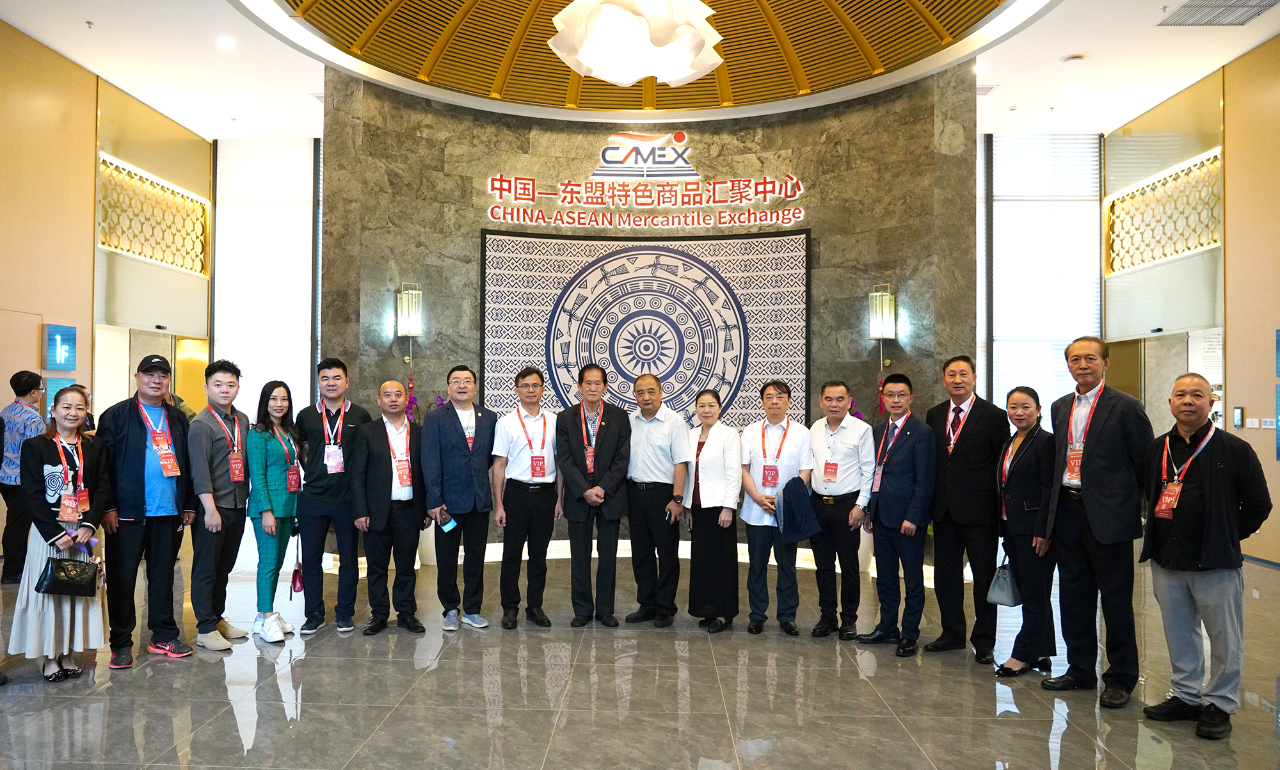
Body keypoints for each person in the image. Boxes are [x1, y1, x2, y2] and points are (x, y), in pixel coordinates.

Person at [1139, 373, 1270, 739]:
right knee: (1179, 633)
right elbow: (1148, 495)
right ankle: (1186, 695)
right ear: (1170, 403)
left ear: (1211, 403)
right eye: (1180, 394)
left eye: (1197, 395)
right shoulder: (1157, 448)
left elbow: (1259, 503)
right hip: (1167, 558)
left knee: (1225, 637)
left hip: (1215, 561)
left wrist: (1227, 534)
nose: (1188, 401)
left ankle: (1220, 704)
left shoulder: (1234, 449)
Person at [1040, 336, 1153, 709]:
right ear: (1068, 365)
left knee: (1116, 601)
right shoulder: (1060, 407)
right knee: (1074, 597)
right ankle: (1080, 670)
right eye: (1075, 359)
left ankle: (1120, 678)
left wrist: (1129, 508)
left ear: (1105, 363)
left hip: (1109, 518)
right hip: (1068, 512)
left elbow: (1144, 465)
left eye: (1090, 358)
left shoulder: (1126, 407)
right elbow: (1061, 461)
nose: (1082, 365)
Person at [97, 355, 197, 669]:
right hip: (126, 515)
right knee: (122, 579)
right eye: (150, 374)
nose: (157, 380)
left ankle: (163, 635)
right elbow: (102, 467)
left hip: (168, 512)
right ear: (137, 377)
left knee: (164, 577)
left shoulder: (177, 417)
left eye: (163, 375)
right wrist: (108, 507)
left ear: (169, 380)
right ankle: (121, 643)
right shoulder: (116, 415)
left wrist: (188, 503)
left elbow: (187, 463)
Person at [9, 386, 109, 682]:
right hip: (50, 531)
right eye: (66, 407)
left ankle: (68, 653)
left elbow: (103, 487)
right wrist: (55, 534)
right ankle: (50, 657)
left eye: (79, 407)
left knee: (79, 591)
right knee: (50, 592)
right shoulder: (36, 446)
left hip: (84, 533)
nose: (72, 413)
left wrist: (89, 525)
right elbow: (31, 494)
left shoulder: (94, 445)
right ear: (53, 410)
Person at [924, 355, 1010, 665]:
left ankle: (984, 641)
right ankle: (952, 633)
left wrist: (1002, 512)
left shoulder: (994, 415)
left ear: (974, 378)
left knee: (984, 578)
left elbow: (1001, 465)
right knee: (946, 576)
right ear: (944, 380)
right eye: (951, 374)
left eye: (963, 374)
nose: (957, 380)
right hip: (944, 511)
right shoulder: (935, 414)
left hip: (981, 513)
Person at [856, 374, 935, 657]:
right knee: (885, 578)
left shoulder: (922, 432)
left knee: (912, 579)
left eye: (901, 395)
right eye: (890, 395)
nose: (896, 400)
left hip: (907, 520)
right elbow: (874, 472)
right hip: (881, 517)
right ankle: (887, 627)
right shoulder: (877, 431)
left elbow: (925, 480)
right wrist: (870, 510)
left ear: (911, 398)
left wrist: (914, 517)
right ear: (883, 399)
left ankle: (910, 634)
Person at [295, 358, 372, 635]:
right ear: (318, 383)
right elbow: (303, 452)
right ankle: (314, 614)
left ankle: (344, 613)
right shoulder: (305, 416)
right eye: (325, 378)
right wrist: (316, 472)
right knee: (311, 558)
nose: (331, 383)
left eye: (337, 378)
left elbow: (365, 456)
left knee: (349, 558)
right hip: (313, 496)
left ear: (347, 382)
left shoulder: (360, 415)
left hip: (347, 498)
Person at [555, 363, 631, 628]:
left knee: (608, 556)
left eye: (598, 383)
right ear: (579, 386)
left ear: (605, 387)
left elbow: (623, 458)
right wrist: (584, 490)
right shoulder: (565, 418)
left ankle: (606, 610)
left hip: (610, 495)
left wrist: (602, 487)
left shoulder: (619, 416)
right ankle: (583, 610)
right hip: (579, 496)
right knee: (580, 556)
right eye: (587, 383)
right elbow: (564, 458)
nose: (592, 387)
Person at [422, 365, 497, 631]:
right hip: (447, 504)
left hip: (479, 500)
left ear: (475, 386)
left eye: (467, 380)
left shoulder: (489, 417)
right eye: (456, 381)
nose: (462, 385)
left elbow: (490, 457)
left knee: (476, 556)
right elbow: (429, 460)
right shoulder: (435, 418)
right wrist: (434, 500)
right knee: (447, 558)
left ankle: (473, 609)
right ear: (448, 387)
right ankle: (451, 609)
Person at [351, 380, 428, 635]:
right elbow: (357, 474)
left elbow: (426, 472)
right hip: (376, 513)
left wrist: (426, 508)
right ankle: (379, 614)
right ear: (379, 400)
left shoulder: (418, 432)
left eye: (398, 394)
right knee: (376, 568)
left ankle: (406, 613)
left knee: (407, 566)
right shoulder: (367, 431)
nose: (393, 399)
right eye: (387, 395)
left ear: (407, 399)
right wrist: (360, 511)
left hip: (409, 511)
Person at [492, 367, 563, 630]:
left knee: (539, 555)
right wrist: (499, 504)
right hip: (517, 494)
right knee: (511, 554)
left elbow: (560, 463)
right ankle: (510, 607)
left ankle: (535, 606)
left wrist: (560, 498)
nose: (530, 390)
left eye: (535, 385)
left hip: (546, 495)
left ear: (543, 389)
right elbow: (499, 465)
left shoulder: (555, 421)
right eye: (525, 386)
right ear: (517, 390)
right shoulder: (506, 423)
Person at [188, 360, 251, 651]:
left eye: (230, 384)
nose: (224, 389)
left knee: (224, 567)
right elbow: (200, 471)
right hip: (213, 507)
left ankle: (217, 618)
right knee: (206, 569)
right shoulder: (201, 424)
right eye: (218, 384)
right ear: (206, 387)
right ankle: (205, 628)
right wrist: (210, 510)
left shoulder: (242, 420)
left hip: (237, 505)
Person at [994, 386, 1057, 677]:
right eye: (1013, 407)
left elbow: (1049, 490)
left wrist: (1043, 531)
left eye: (1026, 407)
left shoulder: (1046, 442)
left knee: (1034, 594)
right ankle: (1041, 652)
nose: (1019, 412)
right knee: (1033, 592)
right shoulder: (1010, 441)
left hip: (1034, 531)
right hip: (1012, 526)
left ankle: (1021, 654)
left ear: (1039, 409)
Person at [740, 380, 812, 636]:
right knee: (756, 566)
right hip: (756, 510)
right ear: (762, 401)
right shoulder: (750, 432)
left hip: (786, 512)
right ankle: (757, 615)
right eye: (769, 397)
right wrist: (757, 496)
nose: (774, 401)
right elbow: (744, 469)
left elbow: (806, 471)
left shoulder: (801, 433)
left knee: (787, 566)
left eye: (780, 397)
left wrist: (784, 500)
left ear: (789, 401)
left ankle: (787, 616)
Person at [625, 374, 693, 628]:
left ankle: (665, 607)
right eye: (640, 392)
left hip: (664, 496)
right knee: (641, 553)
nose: (646, 397)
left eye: (651, 391)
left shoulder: (674, 422)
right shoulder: (630, 421)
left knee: (666, 553)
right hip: (635, 493)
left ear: (661, 393)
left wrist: (677, 499)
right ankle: (647, 604)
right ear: (635, 396)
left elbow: (681, 462)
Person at [808, 380, 874, 641]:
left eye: (839, 399)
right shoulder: (814, 428)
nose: (834, 404)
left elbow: (869, 471)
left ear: (849, 401)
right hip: (818, 505)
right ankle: (827, 617)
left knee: (849, 567)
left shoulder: (861, 430)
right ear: (821, 401)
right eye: (829, 399)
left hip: (848, 507)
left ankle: (849, 620)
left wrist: (861, 506)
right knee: (822, 566)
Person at [246, 380, 302, 644]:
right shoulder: (258, 433)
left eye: (284, 399)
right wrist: (266, 511)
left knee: (278, 563)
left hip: (288, 505)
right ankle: (267, 616)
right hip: (267, 509)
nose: (279, 404)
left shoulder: (289, 431)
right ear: (264, 402)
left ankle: (263, 617)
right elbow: (257, 476)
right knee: (268, 564)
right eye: (273, 399)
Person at [683, 389, 741, 633]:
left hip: (719, 508)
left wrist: (728, 507)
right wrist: (687, 505)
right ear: (696, 408)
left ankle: (724, 613)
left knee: (722, 562)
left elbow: (733, 472)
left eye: (711, 405)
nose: (706, 410)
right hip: (698, 507)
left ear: (719, 408)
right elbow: (687, 473)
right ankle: (707, 609)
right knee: (703, 562)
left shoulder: (729, 435)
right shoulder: (690, 435)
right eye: (701, 405)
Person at [1, 370, 46, 583]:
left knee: (15, 524)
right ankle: (12, 571)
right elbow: (35, 453)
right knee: (18, 527)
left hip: (5, 476)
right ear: (34, 392)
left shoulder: (6, 411)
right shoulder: (33, 418)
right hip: (22, 479)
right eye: (42, 389)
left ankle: (17, 566)